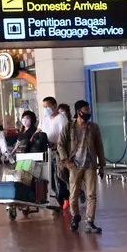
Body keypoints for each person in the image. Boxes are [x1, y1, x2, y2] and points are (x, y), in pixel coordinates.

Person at [61, 100, 105, 233]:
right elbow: (60, 144)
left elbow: (99, 146)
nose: (89, 113)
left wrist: (102, 165)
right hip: (74, 165)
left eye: (89, 110)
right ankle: (75, 217)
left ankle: (90, 221)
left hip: (90, 165)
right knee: (73, 194)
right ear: (79, 112)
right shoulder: (69, 127)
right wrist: (66, 161)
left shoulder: (94, 127)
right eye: (86, 110)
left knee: (92, 194)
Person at [38, 96, 68, 202]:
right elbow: (38, 130)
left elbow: (64, 135)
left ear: (55, 106)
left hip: (58, 151)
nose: (45, 109)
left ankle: (65, 197)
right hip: (46, 152)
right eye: (44, 107)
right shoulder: (44, 119)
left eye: (47, 106)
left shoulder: (61, 119)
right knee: (49, 176)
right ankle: (61, 196)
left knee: (60, 176)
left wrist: (56, 145)